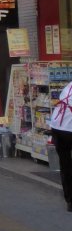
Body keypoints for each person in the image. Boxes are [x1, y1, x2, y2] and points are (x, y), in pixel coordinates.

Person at [49, 77, 72, 212]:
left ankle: (70, 201)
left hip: (57, 127)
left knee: (65, 165)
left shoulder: (68, 86)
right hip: (68, 128)